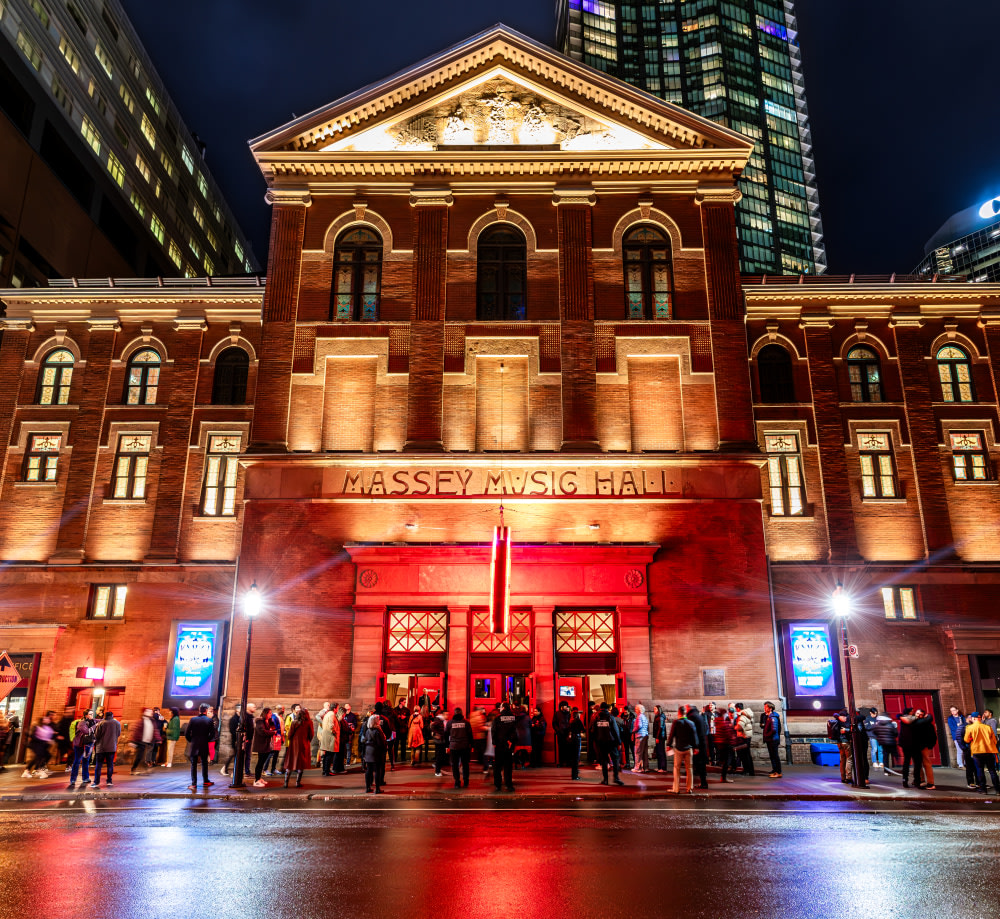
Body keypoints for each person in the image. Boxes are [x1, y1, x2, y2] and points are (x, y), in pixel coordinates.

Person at [965, 712, 1000, 794]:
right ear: (980, 718)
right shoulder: (988, 727)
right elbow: (994, 740)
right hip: (989, 751)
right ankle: (998, 790)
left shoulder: (969, 728)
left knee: (980, 770)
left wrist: (971, 739)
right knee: (992, 770)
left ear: (973, 718)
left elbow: (966, 739)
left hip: (977, 751)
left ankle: (983, 789)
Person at [185, 703, 217, 791]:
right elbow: (212, 734)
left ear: (199, 710)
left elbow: (187, 733)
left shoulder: (193, 719)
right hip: (204, 744)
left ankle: (194, 784)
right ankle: (206, 780)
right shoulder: (209, 720)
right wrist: (206, 739)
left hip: (194, 744)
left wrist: (192, 740)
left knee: (193, 764)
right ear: (206, 711)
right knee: (204, 763)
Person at [593, 702, 624, 787]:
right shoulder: (610, 717)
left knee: (604, 761)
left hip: (601, 742)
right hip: (611, 742)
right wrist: (618, 742)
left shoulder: (596, 717)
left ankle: (605, 779)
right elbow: (615, 730)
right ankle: (616, 778)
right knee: (615, 759)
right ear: (607, 708)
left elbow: (593, 730)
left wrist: (596, 740)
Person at [667, 707, 696, 794]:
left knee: (676, 768)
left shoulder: (676, 722)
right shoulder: (691, 723)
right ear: (685, 713)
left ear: (679, 713)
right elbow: (694, 736)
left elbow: (672, 734)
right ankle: (689, 788)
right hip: (688, 748)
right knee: (689, 768)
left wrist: (669, 745)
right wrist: (696, 747)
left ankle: (676, 789)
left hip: (679, 749)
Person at [283, 706, 314, 788]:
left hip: (294, 745)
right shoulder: (309, 722)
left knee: (290, 762)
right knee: (300, 764)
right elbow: (311, 735)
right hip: (304, 745)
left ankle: (286, 783)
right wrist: (307, 741)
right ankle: (297, 783)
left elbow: (290, 734)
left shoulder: (294, 722)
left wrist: (292, 740)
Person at [90, 711, 122, 788]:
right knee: (110, 765)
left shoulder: (101, 723)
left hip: (101, 747)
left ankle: (96, 782)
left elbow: (97, 735)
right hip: (111, 747)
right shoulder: (117, 723)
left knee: (99, 765)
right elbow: (118, 734)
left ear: (105, 716)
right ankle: (109, 781)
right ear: (112, 715)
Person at [491, 700, 517, 791]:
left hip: (499, 745)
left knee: (497, 766)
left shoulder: (497, 718)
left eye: (501, 707)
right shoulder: (513, 718)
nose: (500, 708)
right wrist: (511, 740)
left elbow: (493, 731)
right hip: (509, 746)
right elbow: (515, 732)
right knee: (508, 766)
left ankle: (498, 785)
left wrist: (494, 743)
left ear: (503, 708)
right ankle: (508, 784)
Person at [67, 709, 96, 788]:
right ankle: (73, 779)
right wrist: (95, 726)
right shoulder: (81, 723)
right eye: (90, 714)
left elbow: (99, 720)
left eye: (92, 714)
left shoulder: (92, 721)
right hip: (79, 744)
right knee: (77, 761)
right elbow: (87, 731)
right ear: (86, 715)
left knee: (86, 760)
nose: (92, 715)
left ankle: (85, 778)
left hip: (87, 744)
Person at [911, 708, 937, 790]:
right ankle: (921, 780)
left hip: (923, 746)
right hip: (917, 746)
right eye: (917, 713)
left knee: (926, 763)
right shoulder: (925, 723)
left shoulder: (923, 724)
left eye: (920, 714)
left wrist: (929, 745)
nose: (918, 715)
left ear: (923, 716)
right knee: (918, 764)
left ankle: (930, 783)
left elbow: (933, 736)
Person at [447, 706, 473, 788]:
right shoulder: (466, 723)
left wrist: (447, 746)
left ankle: (457, 782)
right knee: (465, 764)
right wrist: (472, 745)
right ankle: (466, 781)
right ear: (462, 713)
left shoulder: (450, 723)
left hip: (454, 747)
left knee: (455, 765)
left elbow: (446, 735)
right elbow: (470, 735)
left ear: (454, 713)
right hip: (464, 746)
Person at [24, 713, 55, 778]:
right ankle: (38, 770)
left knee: (42, 756)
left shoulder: (46, 727)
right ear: (42, 720)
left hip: (41, 745)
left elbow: (48, 735)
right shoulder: (37, 726)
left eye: (48, 719)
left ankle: (29, 770)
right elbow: (32, 735)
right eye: (46, 719)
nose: (48, 719)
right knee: (39, 757)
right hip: (35, 744)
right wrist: (45, 740)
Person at [686, 704, 709, 789]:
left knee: (698, 765)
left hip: (697, 745)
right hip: (701, 744)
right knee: (700, 765)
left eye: (686, 708)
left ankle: (702, 783)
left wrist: (695, 746)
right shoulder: (698, 716)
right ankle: (703, 783)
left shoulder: (692, 717)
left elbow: (692, 732)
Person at [252, 706, 276, 787]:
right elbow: (262, 732)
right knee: (260, 762)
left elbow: (273, 728)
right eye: (269, 713)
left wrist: (271, 723)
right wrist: (272, 732)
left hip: (266, 744)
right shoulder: (260, 721)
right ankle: (256, 780)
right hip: (261, 744)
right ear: (265, 713)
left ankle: (259, 778)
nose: (271, 714)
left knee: (262, 762)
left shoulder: (267, 721)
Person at [898, 708, 922, 788]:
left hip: (906, 744)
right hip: (915, 744)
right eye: (912, 711)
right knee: (917, 763)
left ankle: (905, 780)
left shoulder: (902, 720)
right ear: (909, 712)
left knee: (906, 762)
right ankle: (917, 781)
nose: (914, 712)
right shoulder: (915, 720)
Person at [362, 714, 387, 793]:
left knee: (369, 770)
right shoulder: (378, 731)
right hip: (376, 752)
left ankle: (367, 787)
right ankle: (377, 789)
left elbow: (365, 741)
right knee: (377, 770)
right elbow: (381, 743)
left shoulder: (368, 731)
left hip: (368, 752)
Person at [873, 710, 900, 777]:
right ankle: (899, 764)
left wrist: (880, 737)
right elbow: (895, 733)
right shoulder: (890, 724)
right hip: (891, 742)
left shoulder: (878, 724)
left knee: (885, 757)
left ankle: (886, 771)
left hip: (883, 743)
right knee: (895, 753)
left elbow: (875, 732)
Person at [715, 711, 737, 783]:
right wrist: (733, 742)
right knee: (727, 762)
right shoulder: (724, 723)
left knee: (725, 761)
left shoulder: (717, 723)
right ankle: (723, 777)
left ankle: (723, 777)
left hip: (720, 744)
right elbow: (729, 734)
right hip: (726, 744)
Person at [733, 703, 755, 777]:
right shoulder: (748, 715)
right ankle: (750, 771)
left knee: (744, 755)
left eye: (736, 709)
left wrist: (734, 727)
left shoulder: (742, 716)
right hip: (747, 737)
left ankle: (747, 770)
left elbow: (739, 727)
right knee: (747, 754)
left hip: (743, 737)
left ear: (738, 708)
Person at [762, 702, 783, 778]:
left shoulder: (773, 717)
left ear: (770, 708)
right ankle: (775, 770)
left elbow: (774, 730)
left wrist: (767, 735)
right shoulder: (769, 716)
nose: (764, 708)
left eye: (766, 707)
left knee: (775, 756)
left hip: (773, 740)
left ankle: (778, 772)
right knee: (772, 756)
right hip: (770, 740)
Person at [319, 704, 340, 776]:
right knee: (329, 755)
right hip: (330, 737)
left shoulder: (327, 714)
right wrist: (335, 732)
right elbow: (331, 725)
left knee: (327, 755)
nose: (337, 710)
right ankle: (326, 771)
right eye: (337, 708)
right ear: (334, 708)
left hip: (327, 736)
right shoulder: (332, 714)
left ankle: (325, 770)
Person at [567, 707, 585, 780]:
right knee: (576, 757)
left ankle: (573, 774)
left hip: (572, 739)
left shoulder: (570, 721)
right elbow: (582, 729)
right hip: (577, 738)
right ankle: (575, 775)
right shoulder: (578, 721)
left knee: (573, 757)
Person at [513, 705, 532, 769]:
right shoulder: (527, 717)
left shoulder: (515, 717)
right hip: (526, 736)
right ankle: (523, 764)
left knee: (517, 752)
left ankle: (516, 764)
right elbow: (530, 725)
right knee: (525, 752)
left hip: (518, 735)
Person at [431, 709, 449, 777]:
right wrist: (435, 734)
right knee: (439, 755)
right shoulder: (438, 720)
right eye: (446, 714)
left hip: (442, 740)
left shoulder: (442, 720)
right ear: (442, 714)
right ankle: (437, 771)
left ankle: (437, 768)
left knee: (441, 755)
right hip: (439, 741)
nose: (447, 716)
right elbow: (432, 727)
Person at [947, 706, 966, 770]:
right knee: (960, 750)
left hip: (964, 735)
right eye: (951, 711)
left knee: (965, 750)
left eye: (954, 710)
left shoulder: (961, 717)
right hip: (957, 736)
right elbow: (952, 727)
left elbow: (965, 724)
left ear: (957, 710)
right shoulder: (950, 718)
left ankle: (966, 763)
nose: (952, 712)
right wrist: (960, 729)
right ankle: (960, 765)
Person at [632, 704, 649, 773]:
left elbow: (639, 725)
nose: (635, 710)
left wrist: (633, 730)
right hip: (645, 735)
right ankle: (645, 767)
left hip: (639, 735)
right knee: (644, 752)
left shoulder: (639, 717)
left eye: (636, 709)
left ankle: (637, 768)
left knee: (638, 752)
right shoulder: (644, 717)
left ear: (639, 710)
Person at [553, 700, 571, 767]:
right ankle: (561, 762)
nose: (566, 707)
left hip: (566, 733)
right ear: (561, 707)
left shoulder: (568, 713)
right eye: (565, 706)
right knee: (561, 748)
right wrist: (558, 730)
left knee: (567, 748)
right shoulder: (557, 714)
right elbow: (554, 723)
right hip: (560, 733)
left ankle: (567, 762)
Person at [652, 705, 667, 773]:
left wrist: (657, 737)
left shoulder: (660, 717)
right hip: (659, 736)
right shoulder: (657, 716)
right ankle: (660, 767)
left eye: (655, 709)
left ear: (658, 710)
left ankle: (663, 768)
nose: (654, 710)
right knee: (658, 752)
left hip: (660, 737)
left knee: (661, 752)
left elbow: (660, 728)